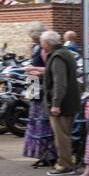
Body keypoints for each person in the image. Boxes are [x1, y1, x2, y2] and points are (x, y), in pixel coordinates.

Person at [39, 30, 80, 174]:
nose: (41, 45)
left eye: (42, 42)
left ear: (48, 43)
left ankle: (65, 164)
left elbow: (59, 82)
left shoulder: (57, 57)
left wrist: (56, 103)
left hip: (62, 104)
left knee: (61, 135)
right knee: (64, 134)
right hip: (68, 101)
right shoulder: (64, 53)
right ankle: (65, 162)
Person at [21, 23, 56, 168]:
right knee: (35, 118)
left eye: (34, 37)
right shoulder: (37, 47)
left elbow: (49, 68)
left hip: (40, 85)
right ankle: (40, 153)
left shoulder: (45, 49)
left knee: (42, 120)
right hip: (33, 84)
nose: (33, 40)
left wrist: (33, 69)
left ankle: (47, 154)